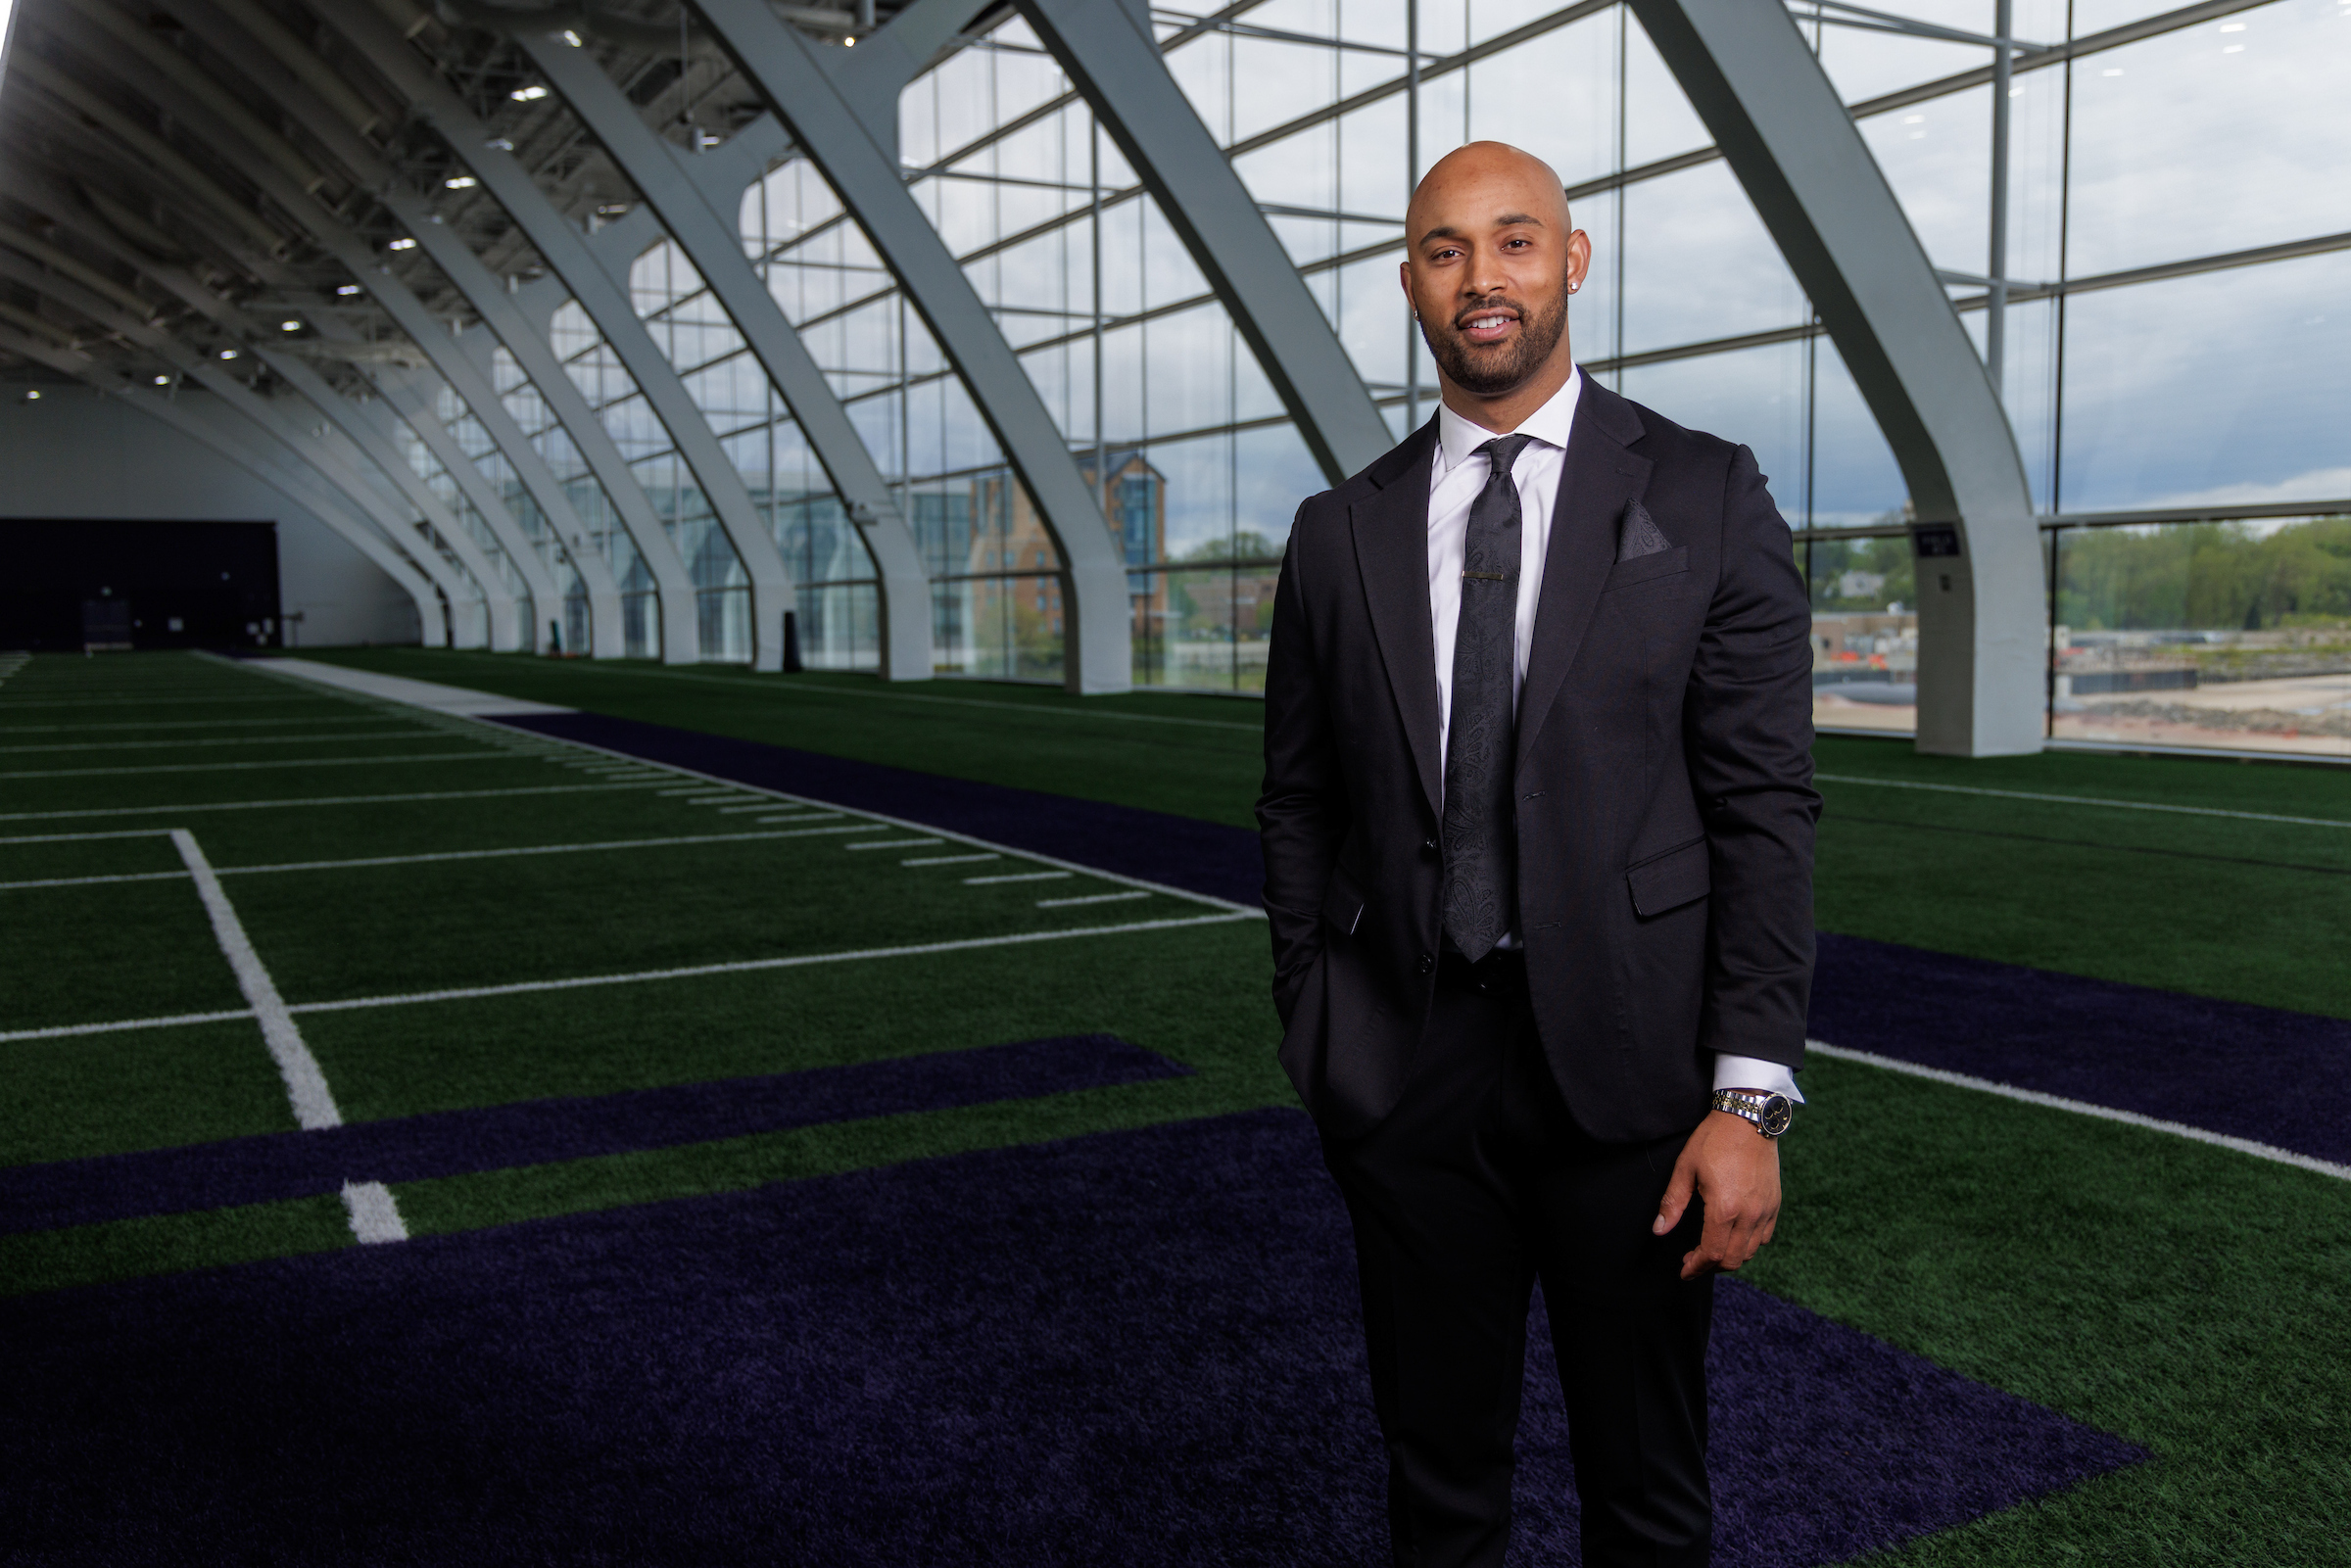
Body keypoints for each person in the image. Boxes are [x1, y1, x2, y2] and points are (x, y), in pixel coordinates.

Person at [1256, 140, 1818, 1568]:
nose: (1481, 277)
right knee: (1439, 1482)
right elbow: (1297, 801)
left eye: (1514, 242)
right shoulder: (1338, 533)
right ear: (1410, 283)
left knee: (1647, 1490)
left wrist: (1748, 1099)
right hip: (1410, 1067)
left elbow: (1763, 805)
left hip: (1633, 1076)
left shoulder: (1702, 493)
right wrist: (1319, 1021)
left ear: (1572, 260)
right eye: (1447, 250)